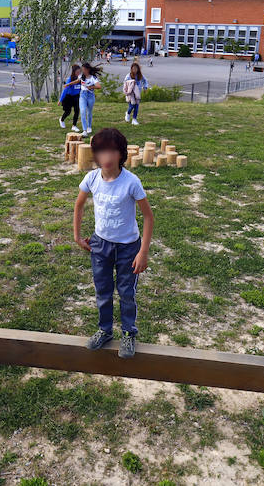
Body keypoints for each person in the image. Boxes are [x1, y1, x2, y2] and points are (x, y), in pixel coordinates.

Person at [73, 128, 154, 359]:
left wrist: (143, 251)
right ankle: (105, 330)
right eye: (100, 152)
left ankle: (128, 333)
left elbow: (148, 216)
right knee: (103, 291)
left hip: (129, 247)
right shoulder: (91, 178)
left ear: (121, 154)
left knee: (127, 293)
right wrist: (77, 236)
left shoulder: (131, 182)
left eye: (111, 152)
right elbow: (79, 205)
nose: (105, 158)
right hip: (100, 245)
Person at [67, 62, 103, 136]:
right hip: (82, 95)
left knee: (89, 112)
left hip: (90, 95)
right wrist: (68, 84)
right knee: (83, 111)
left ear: (88, 69)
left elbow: (99, 86)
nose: (83, 71)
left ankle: (89, 126)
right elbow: (77, 81)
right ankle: (84, 130)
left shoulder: (93, 78)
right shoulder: (81, 76)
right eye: (82, 69)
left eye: (84, 69)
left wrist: (91, 87)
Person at [59, 64, 82, 131]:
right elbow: (65, 90)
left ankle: (74, 126)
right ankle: (62, 119)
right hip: (68, 97)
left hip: (76, 97)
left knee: (77, 111)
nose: (78, 73)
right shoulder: (70, 79)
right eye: (77, 72)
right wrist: (60, 100)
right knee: (68, 112)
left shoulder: (80, 79)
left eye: (79, 72)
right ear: (74, 72)